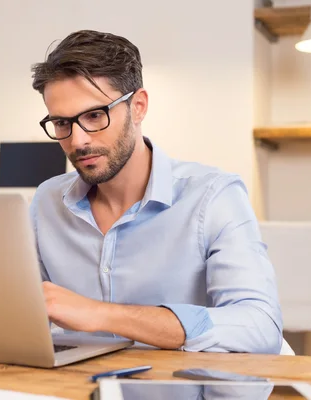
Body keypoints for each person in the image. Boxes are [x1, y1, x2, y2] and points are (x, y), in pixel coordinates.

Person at [28, 29, 283, 353]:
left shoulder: (214, 197)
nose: (77, 141)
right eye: (62, 123)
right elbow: (16, 311)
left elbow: (259, 328)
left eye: (94, 115)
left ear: (138, 106)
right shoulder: (46, 202)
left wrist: (103, 315)